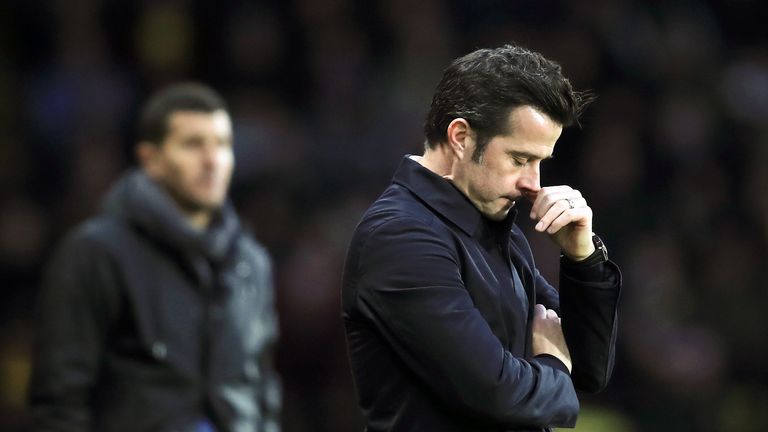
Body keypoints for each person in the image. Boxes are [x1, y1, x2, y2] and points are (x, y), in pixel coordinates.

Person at [341, 44, 621, 431]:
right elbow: (498, 394)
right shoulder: (400, 238)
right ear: (460, 136)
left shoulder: (495, 226)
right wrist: (553, 362)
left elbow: (589, 370)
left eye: (541, 162)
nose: (534, 183)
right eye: (520, 159)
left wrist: (583, 259)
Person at [29, 83, 281, 432]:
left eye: (222, 144)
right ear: (151, 159)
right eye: (193, 145)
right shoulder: (96, 253)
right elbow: (61, 399)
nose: (212, 161)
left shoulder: (251, 264)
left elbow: (262, 390)